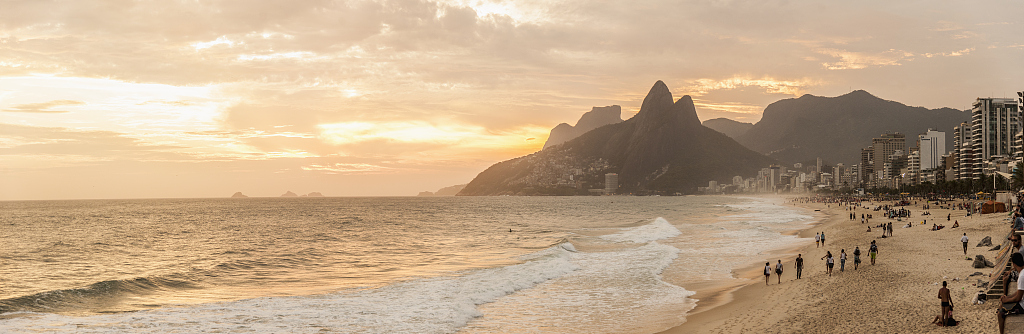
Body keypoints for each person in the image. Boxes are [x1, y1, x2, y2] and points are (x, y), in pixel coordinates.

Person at [997, 253, 1024, 334]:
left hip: (1023, 306)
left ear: (1014, 264)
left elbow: (1018, 298)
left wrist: (1006, 301)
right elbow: (1019, 292)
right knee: (1003, 303)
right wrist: (1008, 297)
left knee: (1000, 313)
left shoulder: (1022, 276)